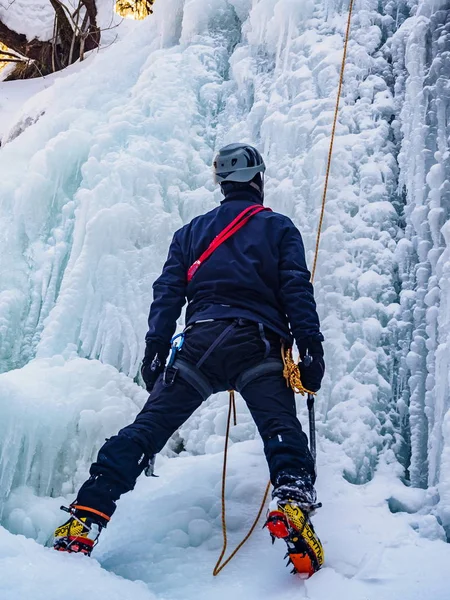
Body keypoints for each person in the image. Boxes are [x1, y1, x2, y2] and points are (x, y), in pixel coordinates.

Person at [53, 143, 325, 574]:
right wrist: (311, 347)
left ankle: (84, 517)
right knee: (280, 427)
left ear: (221, 183)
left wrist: (155, 349)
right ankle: (292, 502)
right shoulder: (277, 227)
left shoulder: (190, 233)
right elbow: (295, 288)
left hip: (198, 347)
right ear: (258, 180)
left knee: (145, 431)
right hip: (257, 344)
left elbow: (168, 294)